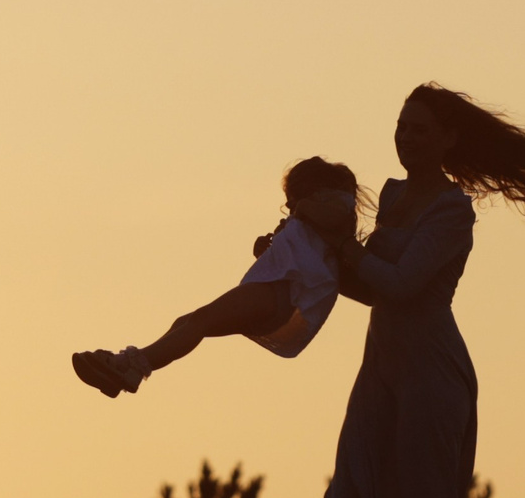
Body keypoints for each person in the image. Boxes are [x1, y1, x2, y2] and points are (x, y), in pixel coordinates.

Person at [321, 84, 525, 498]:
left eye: (419, 129)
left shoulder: (453, 210)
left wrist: (344, 248)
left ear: (448, 140)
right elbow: (372, 287)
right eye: (401, 126)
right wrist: (310, 257)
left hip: (430, 372)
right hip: (380, 369)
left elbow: (402, 284)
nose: (406, 137)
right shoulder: (391, 197)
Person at [73, 158, 364, 398]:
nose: (289, 208)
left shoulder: (333, 208)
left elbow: (332, 214)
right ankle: (126, 370)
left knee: (199, 322)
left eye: (291, 200)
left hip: (277, 294)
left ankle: (132, 365)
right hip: (273, 293)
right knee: (188, 321)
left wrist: (299, 213)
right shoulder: (310, 222)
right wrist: (269, 249)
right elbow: (302, 251)